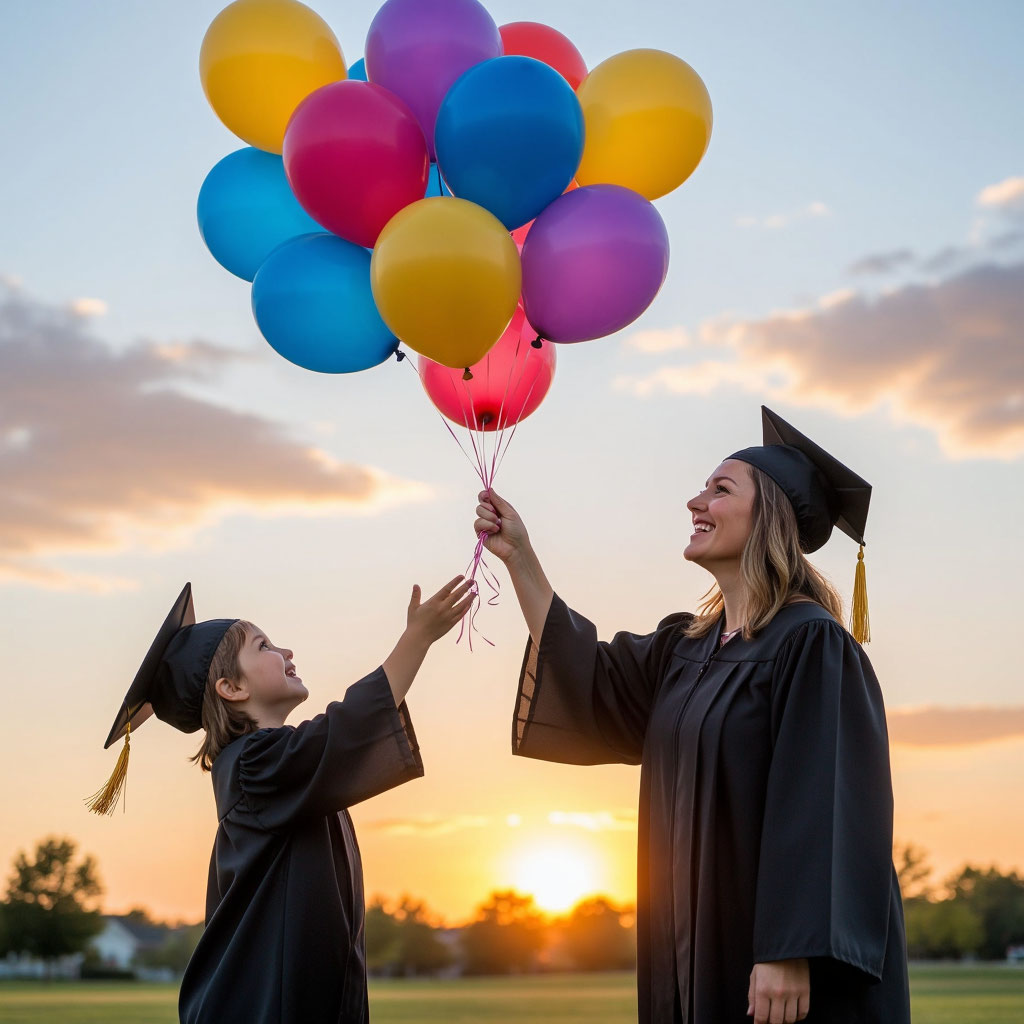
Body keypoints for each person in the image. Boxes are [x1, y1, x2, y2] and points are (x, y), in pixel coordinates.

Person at [474, 407, 910, 1024]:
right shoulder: (687, 647)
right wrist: (519, 556)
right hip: (690, 949)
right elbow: (589, 675)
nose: (693, 502)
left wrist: (789, 952)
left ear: (772, 519)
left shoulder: (811, 644)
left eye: (719, 489)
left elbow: (827, 801)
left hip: (779, 968)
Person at [88, 575, 474, 1024]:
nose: (286, 652)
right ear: (231, 689)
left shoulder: (281, 771)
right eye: (264, 647)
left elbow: (333, 745)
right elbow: (343, 731)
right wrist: (417, 640)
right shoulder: (254, 767)